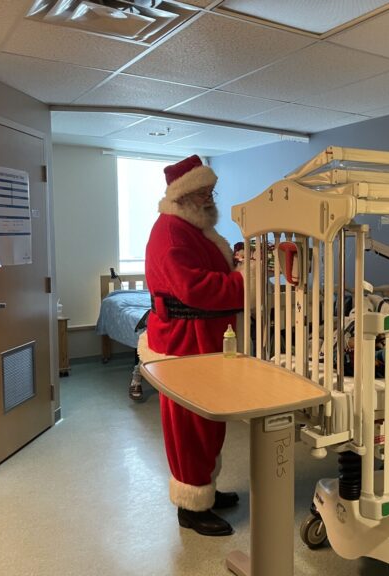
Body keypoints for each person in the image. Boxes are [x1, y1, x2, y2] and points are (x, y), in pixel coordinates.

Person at [138, 155, 245, 537]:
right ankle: (191, 506)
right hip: (183, 345)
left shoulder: (193, 229)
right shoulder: (170, 232)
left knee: (208, 424)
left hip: (206, 341)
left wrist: (238, 262)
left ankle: (206, 490)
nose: (208, 198)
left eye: (210, 191)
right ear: (182, 196)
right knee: (188, 427)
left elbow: (209, 271)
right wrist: (244, 281)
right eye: (202, 192)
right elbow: (193, 288)